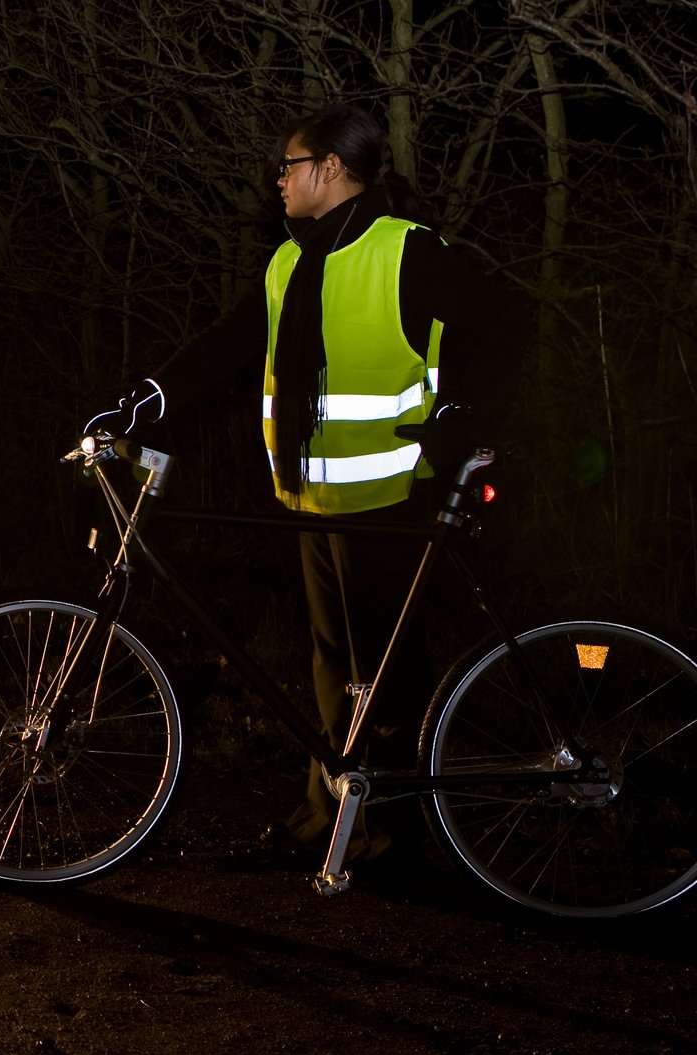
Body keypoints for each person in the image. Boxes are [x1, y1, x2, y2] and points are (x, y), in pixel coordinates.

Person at [136, 104, 509, 869]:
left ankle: (392, 835)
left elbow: (497, 325)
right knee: (334, 666)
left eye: (289, 165)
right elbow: (228, 344)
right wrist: (147, 397)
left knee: (384, 676)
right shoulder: (288, 261)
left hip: (390, 499)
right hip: (309, 501)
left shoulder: (404, 250)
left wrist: (464, 414)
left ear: (331, 168)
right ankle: (330, 813)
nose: (277, 180)